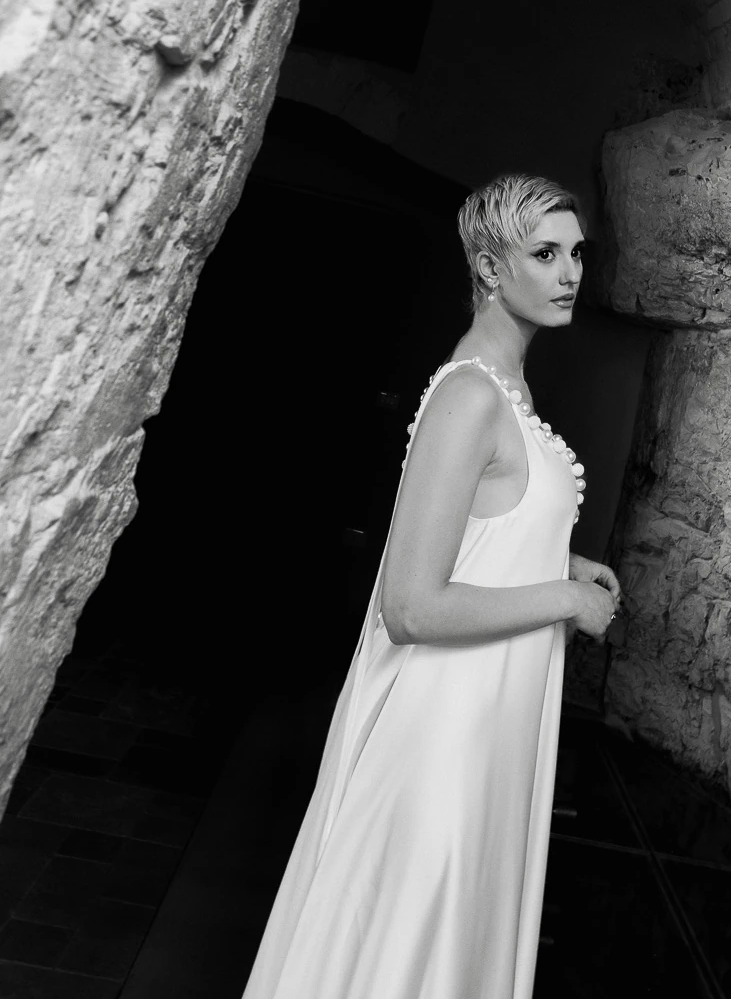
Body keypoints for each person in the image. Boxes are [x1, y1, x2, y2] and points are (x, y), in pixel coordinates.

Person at [241, 172, 622, 999]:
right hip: (443, 728)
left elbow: (479, 537)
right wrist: (565, 600)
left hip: (488, 717)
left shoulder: (508, 389)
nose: (570, 274)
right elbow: (410, 604)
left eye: (577, 254)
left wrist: (555, 562)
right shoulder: (468, 396)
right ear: (488, 269)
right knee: (417, 943)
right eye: (545, 253)